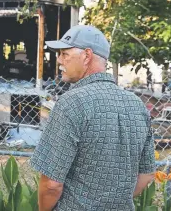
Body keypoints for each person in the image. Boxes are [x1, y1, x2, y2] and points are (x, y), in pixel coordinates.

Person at [30, 25, 155, 211]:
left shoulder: (71, 103)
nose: (59, 60)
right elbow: (146, 175)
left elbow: (51, 185)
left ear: (86, 56)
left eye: (65, 54)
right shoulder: (136, 105)